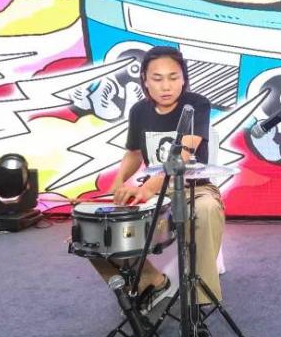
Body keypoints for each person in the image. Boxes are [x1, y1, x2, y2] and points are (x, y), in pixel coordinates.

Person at [88, 45, 226, 316]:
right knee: (93, 230)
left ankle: (197, 307)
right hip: (151, 193)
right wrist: (117, 184)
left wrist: (147, 188)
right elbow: (133, 153)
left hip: (192, 188)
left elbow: (183, 154)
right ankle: (151, 281)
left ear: (183, 79)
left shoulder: (196, 105)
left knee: (206, 208)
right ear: (145, 81)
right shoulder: (139, 111)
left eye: (173, 77)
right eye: (157, 78)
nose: (166, 86)